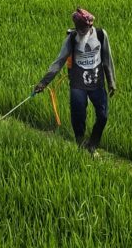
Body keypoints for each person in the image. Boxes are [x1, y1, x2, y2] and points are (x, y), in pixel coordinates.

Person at [33, 8, 117, 155]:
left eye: (84, 29)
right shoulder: (71, 39)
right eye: (79, 29)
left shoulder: (101, 35)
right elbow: (59, 62)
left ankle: (92, 145)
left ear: (90, 26)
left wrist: (111, 81)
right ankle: (80, 142)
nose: (81, 32)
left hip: (96, 81)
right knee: (78, 114)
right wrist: (43, 82)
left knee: (103, 116)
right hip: (78, 82)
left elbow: (106, 59)